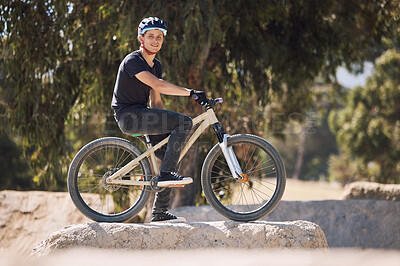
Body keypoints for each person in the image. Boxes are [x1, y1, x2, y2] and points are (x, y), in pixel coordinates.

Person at [111, 17, 206, 223]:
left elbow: (156, 100)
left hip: (145, 114)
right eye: (151, 36)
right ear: (141, 38)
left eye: (159, 37)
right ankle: (166, 176)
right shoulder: (133, 61)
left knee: (172, 157)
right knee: (184, 122)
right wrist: (191, 93)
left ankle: (160, 213)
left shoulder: (156, 65)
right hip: (129, 116)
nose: (155, 40)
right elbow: (159, 85)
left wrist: (166, 126)